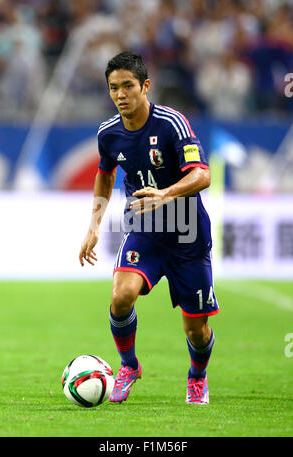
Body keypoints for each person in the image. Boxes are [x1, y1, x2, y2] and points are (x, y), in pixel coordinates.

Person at [79, 51, 219, 405]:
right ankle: (128, 366)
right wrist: (94, 226)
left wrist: (165, 194)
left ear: (145, 86)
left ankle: (197, 377)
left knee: (196, 331)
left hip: (188, 234)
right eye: (114, 88)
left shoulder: (172, 124)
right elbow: (105, 174)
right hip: (144, 228)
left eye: (128, 86)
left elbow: (203, 174)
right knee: (120, 295)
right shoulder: (109, 133)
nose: (121, 94)